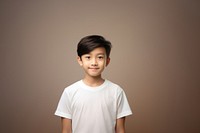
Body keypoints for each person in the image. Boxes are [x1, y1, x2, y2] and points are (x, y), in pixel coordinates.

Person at [55, 35, 132, 133]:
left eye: (100, 57)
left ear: (107, 61)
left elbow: (120, 130)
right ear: (80, 60)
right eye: (88, 57)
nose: (94, 62)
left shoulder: (116, 91)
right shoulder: (69, 92)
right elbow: (66, 130)